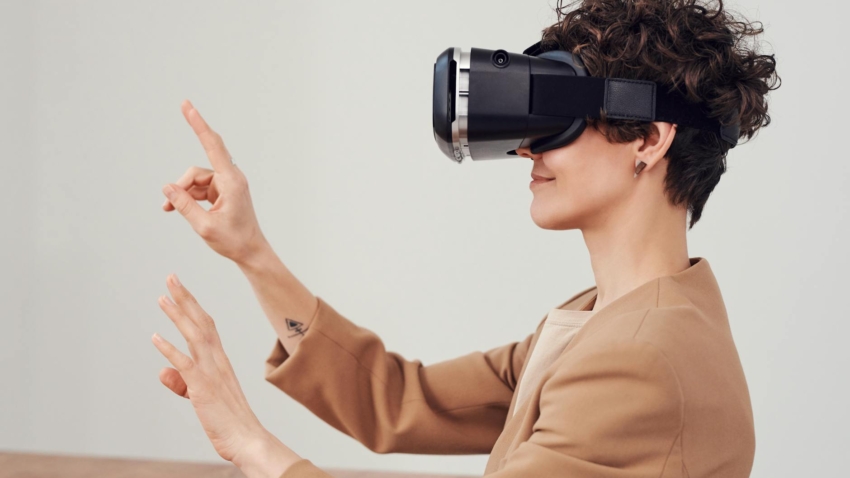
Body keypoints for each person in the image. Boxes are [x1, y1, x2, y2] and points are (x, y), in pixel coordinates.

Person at [150, 1, 780, 477]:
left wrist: (247, 441)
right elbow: (400, 401)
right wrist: (250, 250)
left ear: (649, 138)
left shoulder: (643, 359)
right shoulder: (603, 321)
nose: (526, 145)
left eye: (556, 116)